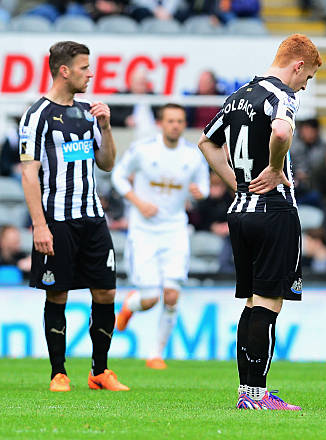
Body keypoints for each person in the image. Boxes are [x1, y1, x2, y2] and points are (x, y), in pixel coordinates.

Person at [197, 34, 321, 410]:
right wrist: (273, 167)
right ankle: (257, 395)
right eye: (309, 77)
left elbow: (206, 143)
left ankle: (246, 393)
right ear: (297, 65)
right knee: (269, 304)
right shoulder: (282, 95)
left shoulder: (237, 96)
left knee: (252, 303)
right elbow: (281, 131)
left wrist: (237, 182)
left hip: (240, 210)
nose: (305, 85)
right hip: (273, 211)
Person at [19, 41, 128, 392]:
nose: (90, 73)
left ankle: (100, 371)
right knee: (58, 295)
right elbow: (28, 173)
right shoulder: (37, 115)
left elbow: (107, 163)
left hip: (93, 218)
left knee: (106, 293)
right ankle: (58, 373)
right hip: (57, 220)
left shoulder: (87, 112)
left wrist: (107, 127)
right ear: (64, 70)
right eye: (84, 67)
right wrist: (39, 225)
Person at [112, 103, 209, 369]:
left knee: (171, 295)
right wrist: (137, 201)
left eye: (179, 121)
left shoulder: (192, 156)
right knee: (150, 297)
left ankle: (156, 354)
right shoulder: (144, 150)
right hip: (143, 231)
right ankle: (130, 306)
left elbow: (204, 185)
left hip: (175, 229)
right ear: (161, 123)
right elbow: (118, 177)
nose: (175, 125)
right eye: (170, 121)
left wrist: (199, 192)